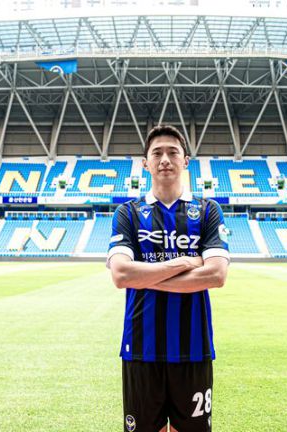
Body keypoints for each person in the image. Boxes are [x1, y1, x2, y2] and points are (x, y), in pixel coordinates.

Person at [108, 124, 230, 432]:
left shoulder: (208, 210)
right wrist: (185, 262)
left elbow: (216, 274)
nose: (165, 159)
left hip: (193, 348)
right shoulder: (128, 213)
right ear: (145, 163)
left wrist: (143, 276)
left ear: (185, 160)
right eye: (157, 153)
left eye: (173, 152)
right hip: (140, 348)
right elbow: (121, 274)